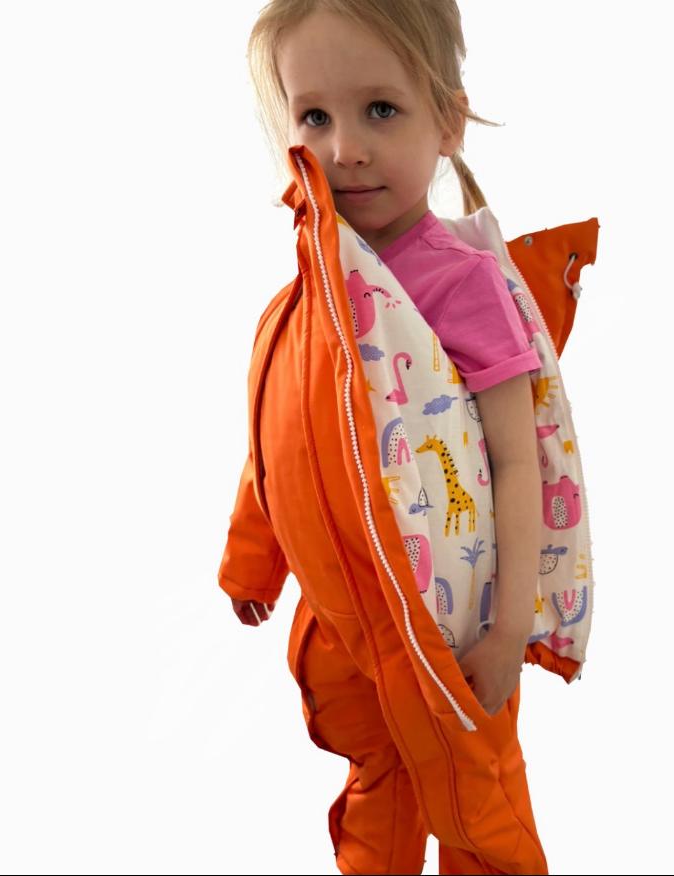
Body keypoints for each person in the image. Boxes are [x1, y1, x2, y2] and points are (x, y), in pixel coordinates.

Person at [218, 2, 587, 873]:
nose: (345, 147)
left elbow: (517, 462)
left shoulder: (462, 286)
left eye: (381, 109)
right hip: (344, 620)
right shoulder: (311, 291)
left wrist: (507, 630)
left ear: (448, 122)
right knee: (377, 785)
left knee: (477, 805)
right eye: (315, 116)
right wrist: (253, 561)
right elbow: (282, 438)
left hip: (449, 631)